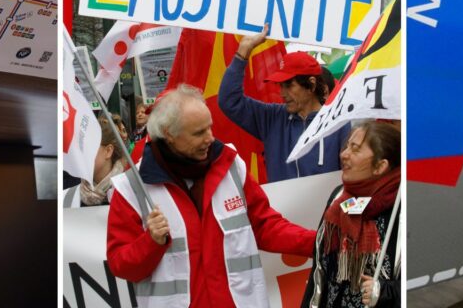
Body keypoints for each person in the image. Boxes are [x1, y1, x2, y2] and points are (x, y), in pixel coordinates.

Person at [107, 84, 316, 307]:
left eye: (209, 127)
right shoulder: (131, 188)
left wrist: (320, 242)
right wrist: (150, 242)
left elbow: (265, 225)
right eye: (199, 132)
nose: (210, 138)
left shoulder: (230, 164)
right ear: (169, 134)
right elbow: (121, 265)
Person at [218, 24, 351, 182]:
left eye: (288, 85)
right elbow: (229, 101)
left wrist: (344, 208)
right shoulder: (272, 118)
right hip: (278, 207)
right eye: (280, 86)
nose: (282, 93)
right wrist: (243, 53)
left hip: (330, 207)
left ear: (312, 84)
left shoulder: (338, 123)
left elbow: (354, 181)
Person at [302, 121, 401, 307]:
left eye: (355, 150)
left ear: (380, 166)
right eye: (347, 146)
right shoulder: (339, 198)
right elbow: (319, 270)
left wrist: (385, 292)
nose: (343, 154)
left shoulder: (400, 208)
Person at [61, 116, 127, 208]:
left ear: (108, 151)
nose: (81, 154)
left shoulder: (130, 195)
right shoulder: (65, 198)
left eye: (88, 147)